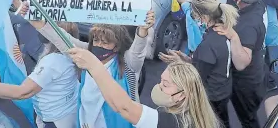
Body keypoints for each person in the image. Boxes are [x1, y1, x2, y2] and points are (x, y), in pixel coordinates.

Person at [26, 7, 155, 128]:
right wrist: (38, 22)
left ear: (116, 46)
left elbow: (138, 51)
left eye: (105, 42)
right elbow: (63, 38)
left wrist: (142, 32)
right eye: (96, 40)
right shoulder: (86, 54)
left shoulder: (128, 63)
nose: (99, 45)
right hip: (86, 122)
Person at [67, 50, 221, 128]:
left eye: (165, 85)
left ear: (181, 96)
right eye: (161, 80)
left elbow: (125, 108)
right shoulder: (196, 116)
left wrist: (94, 66)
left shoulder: (171, 122)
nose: (158, 86)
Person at [0, 23, 80, 128]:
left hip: (55, 120)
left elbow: (22, 92)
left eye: (47, 25)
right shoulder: (76, 54)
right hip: (68, 113)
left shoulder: (52, 62)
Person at [161, 0, 238, 128]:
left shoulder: (208, 45)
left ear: (203, 17)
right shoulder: (223, 30)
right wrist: (186, 59)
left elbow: (197, 76)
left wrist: (179, 63)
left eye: (195, 15)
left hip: (212, 96)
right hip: (223, 88)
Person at [215, 0, 266, 128]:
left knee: (248, 120)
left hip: (245, 84)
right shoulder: (256, 0)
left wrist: (233, 36)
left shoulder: (248, 25)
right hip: (255, 75)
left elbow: (242, 63)